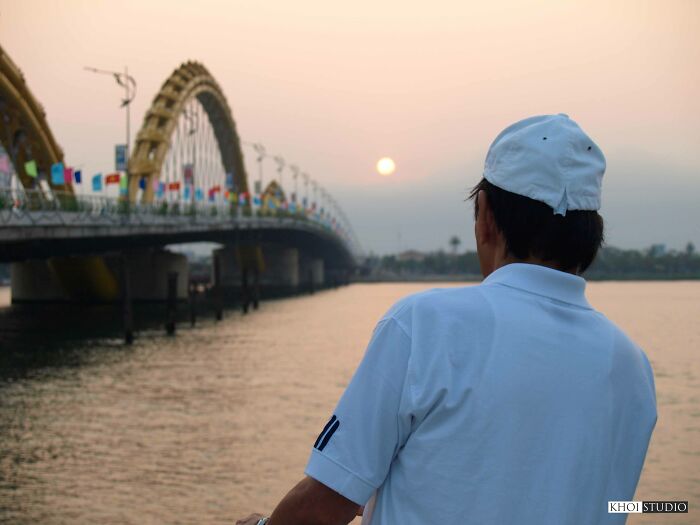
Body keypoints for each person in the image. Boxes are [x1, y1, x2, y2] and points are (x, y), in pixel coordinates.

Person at [236, 114, 657, 525]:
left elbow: (325, 507)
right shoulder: (633, 368)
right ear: (591, 232)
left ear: (486, 216)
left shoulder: (425, 327)